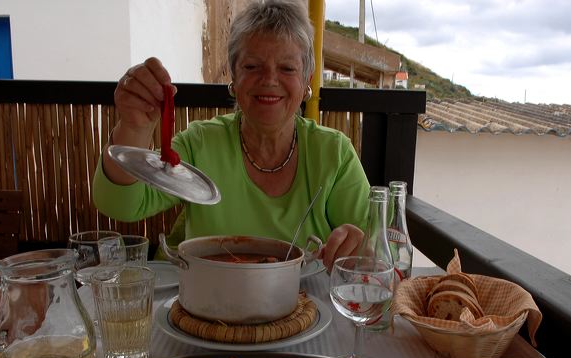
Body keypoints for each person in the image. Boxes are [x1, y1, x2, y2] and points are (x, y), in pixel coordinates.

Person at [93, 0, 370, 271]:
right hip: (202, 305)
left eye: (287, 68)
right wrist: (134, 127)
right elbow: (122, 205)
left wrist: (359, 246)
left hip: (304, 308)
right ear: (234, 78)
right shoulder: (200, 144)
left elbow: (379, 248)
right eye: (252, 67)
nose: (270, 80)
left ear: (307, 80)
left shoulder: (334, 153)